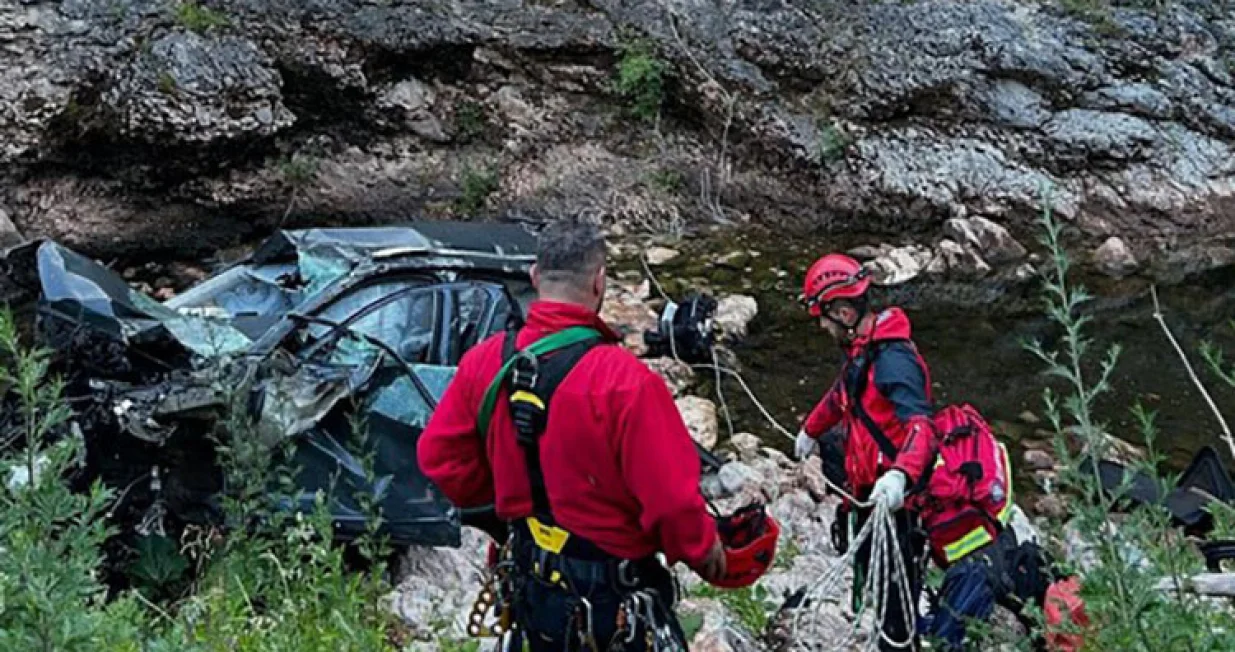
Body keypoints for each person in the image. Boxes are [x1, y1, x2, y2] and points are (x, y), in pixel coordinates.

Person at [417, 217, 775, 651]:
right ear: (599, 284)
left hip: (534, 586)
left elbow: (440, 458)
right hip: (613, 601)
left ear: (535, 276)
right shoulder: (626, 383)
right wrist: (711, 558)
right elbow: (672, 505)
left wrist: (510, 504)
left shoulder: (484, 363)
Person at [793, 252, 937, 652]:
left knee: (896, 611)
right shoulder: (864, 352)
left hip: (899, 510)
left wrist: (900, 475)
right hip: (874, 501)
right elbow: (843, 395)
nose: (822, 326)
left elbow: (921, 427)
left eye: (823, 317)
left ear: (842, 311)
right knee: (884, 599)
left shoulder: (892, 361)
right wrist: (810, 428)